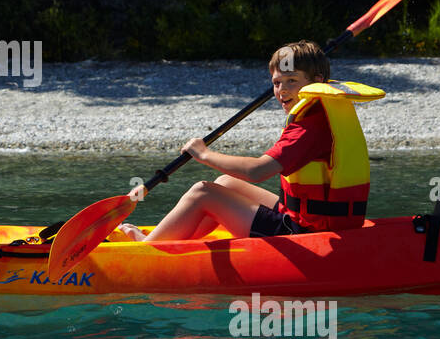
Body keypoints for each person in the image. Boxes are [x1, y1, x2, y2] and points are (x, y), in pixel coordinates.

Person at [119, 40, 382, 241]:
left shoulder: (308, 128)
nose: (283, 90)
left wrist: (204, 154)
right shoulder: (320, 111)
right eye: (277, 83)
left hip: (304, 232)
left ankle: (150, 248)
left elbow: (257, 171)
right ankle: (179, 242)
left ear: (317, 82)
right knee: (224, 183)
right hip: (309, 219)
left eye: (292, 80)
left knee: (203, 191)